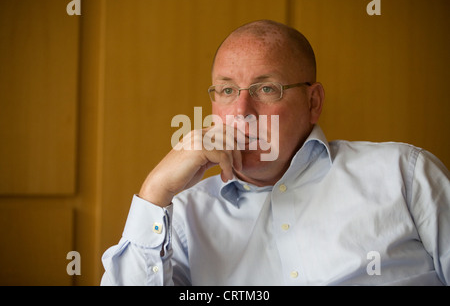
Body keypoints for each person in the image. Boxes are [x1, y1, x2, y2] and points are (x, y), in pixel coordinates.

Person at [101, 20, 450, 285]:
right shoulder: (180, 219)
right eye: (226, 91)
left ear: (313, 103)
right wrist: (154, 192)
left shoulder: (405, 174)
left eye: (266, 88)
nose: (240, 112)